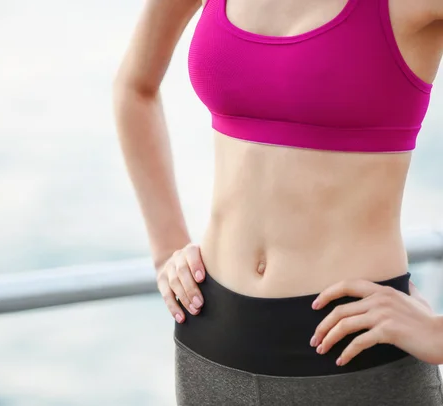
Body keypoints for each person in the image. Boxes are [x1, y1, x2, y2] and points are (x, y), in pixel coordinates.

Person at [112, 0, 443, 404]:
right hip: (210, 344)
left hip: (352, 357)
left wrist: (437, 333)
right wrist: (167, 250)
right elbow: (135, 87)